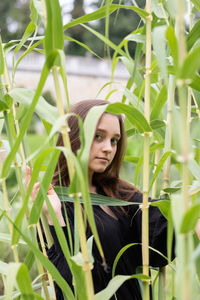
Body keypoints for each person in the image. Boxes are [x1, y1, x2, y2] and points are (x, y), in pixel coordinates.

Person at [30, 99, 174, 300]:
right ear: (74, 136)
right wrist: (56, 218)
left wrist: (185, 215)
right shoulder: (53, 199)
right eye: (98, 136)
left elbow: (161, 239)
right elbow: (66, 284)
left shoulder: (121, 194)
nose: (109, 148)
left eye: (114, 140)